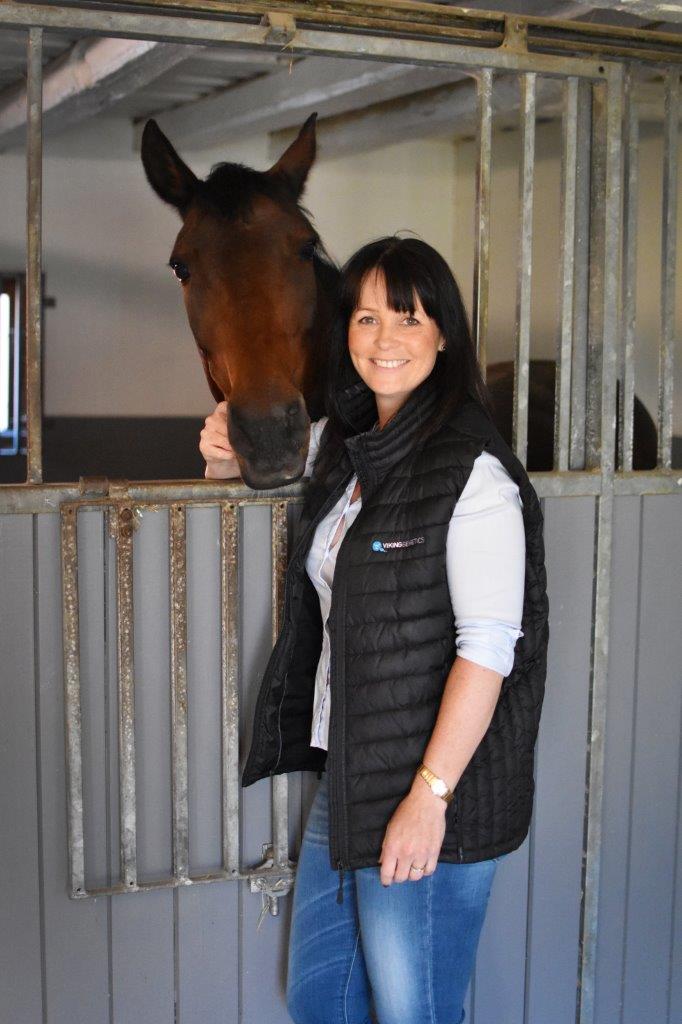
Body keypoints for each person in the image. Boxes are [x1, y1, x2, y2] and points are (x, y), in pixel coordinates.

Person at [199, 235, 549, 1024]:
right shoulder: (349, 447)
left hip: (431, 791)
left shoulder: (473, 471)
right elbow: (271, 457)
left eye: (407, 318)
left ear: (443, 334)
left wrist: (430, 797)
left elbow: (488, 651)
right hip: (350, 780)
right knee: (324, 1002)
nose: (383, 340)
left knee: (412, 1011)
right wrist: (223, 452)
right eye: (364, 319)